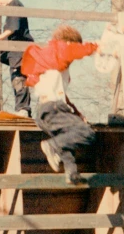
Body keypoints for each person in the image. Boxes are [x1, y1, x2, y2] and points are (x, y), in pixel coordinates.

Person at [21, 25, 97, 184]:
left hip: (45, 112)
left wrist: (77, 113)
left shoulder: (51, 61)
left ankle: (71, 173)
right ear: (69, 43)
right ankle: (51, 146)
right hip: (53, 108)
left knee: (66, 142)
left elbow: (63, 95)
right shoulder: (59, 51)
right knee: (86, 133)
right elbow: (75, 51)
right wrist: (99, 47)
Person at [0, 0, 34, 117]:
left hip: (19, 49)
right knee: (17, 77)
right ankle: (22, 108)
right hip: (16, 49)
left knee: (18, 76)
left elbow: (13, 28)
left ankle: (23, 109)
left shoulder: (14, 5)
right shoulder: (14, 6)